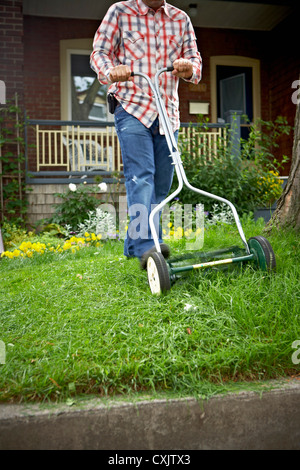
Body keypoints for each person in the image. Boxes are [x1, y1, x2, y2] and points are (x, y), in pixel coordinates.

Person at [90, 0, 202, 268]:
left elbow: (195, 62)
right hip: (131, 107)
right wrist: (111, 70)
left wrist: (189, 68)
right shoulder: (120, 11)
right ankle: (147, 246)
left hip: (168, 113)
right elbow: (99, 53)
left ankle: (135, 245)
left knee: (162, 183)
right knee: (141, 177)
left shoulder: (180, 18)